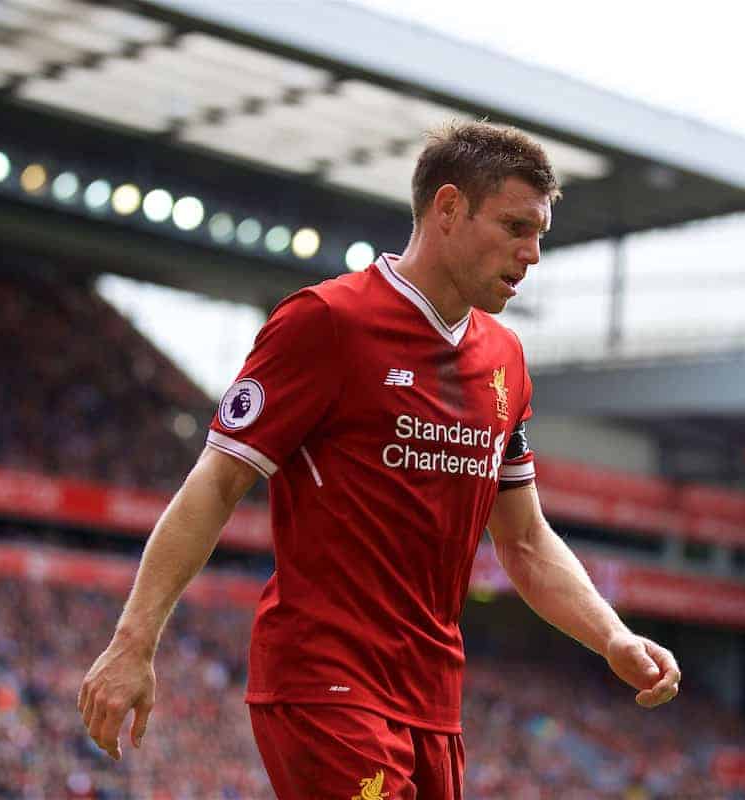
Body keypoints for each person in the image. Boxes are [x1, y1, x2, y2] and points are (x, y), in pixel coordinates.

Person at [78, 121, 681, 798]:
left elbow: (524, 540)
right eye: (516, 227)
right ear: (448, 209)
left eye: (540, 234)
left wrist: (612, 636)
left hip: (432, 699)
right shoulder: (327, 322)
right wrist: (134, 642)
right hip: (325, 683)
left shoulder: (505, 360)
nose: (533, 254)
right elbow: (218, 480)